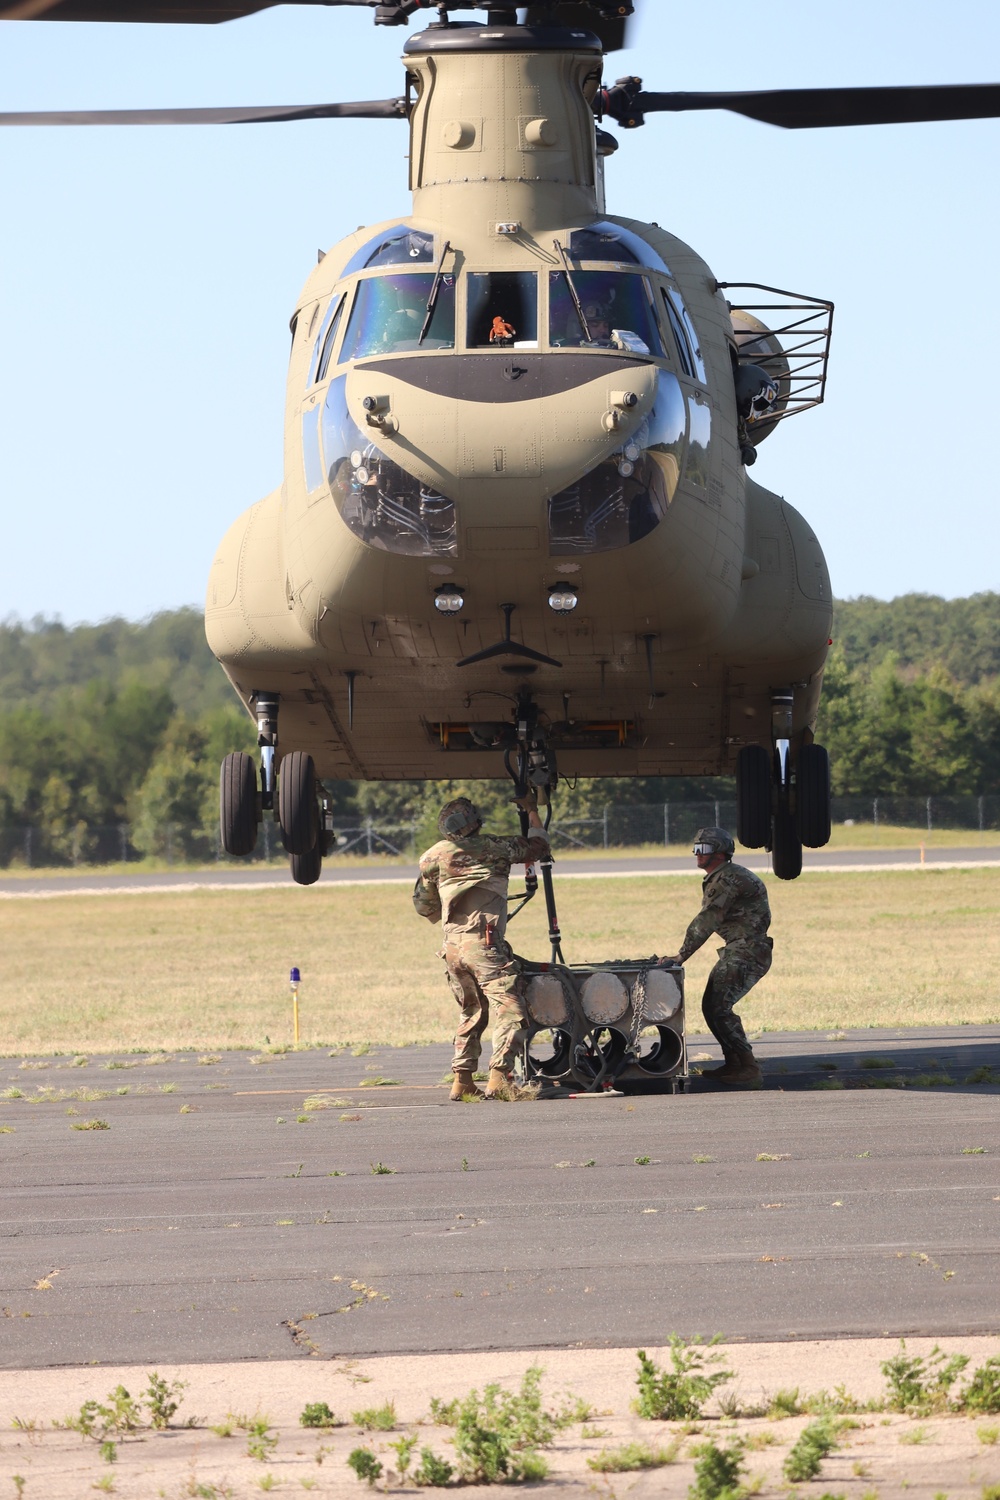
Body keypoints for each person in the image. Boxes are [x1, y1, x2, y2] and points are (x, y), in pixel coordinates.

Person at [413, 792, 549, 1100]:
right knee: (511, 1010)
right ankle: (499, 1077)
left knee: (472, 1010)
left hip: (452, 949)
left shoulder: (431, 857)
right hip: (484, 944)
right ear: (474, 823)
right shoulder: (495, 848)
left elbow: (424, 907)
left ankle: (461, 1080)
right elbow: (539, 847)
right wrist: (531, 810)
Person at [658, 827, 772, 1087]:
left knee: (718, 1007)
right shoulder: (725, 876)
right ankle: (734, 1064)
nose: (697, 854)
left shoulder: (727, 880)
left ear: (720, 854)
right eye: (696, 849)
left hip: (746, 951)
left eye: (704, 849)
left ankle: (748, 1067)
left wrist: (680, 956)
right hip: (742, 948)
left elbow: (706, 920)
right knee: (714, 1006)